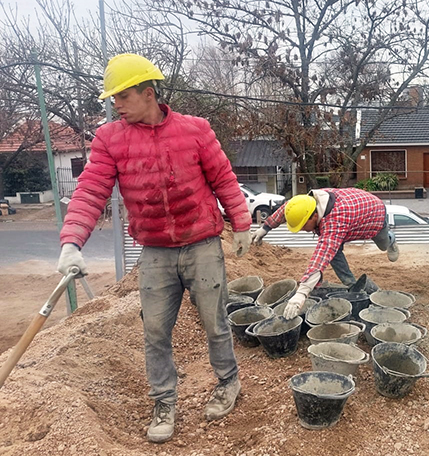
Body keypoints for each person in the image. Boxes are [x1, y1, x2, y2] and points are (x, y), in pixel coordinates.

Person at [56, 53, 253, 444]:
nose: (116, 104)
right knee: (155, 331)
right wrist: (72, 241)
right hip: (156, 252)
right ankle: (164, 401)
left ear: (148, 93)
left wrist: (242, 223)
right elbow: (92, 189)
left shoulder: (196, 130)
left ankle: (228, 382)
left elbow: (225, 179)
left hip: (202, 245)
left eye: (122, 95)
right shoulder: (111, 139)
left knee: (215, 323)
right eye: (113, 98)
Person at [250, 188, 399, 319]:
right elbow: (287, 209)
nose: (301, 230)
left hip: (374, 216)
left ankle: (391, 239)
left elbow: (321, 256)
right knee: (334, 251)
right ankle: (352, 285)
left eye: (302, 226)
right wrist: (266, 227)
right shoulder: (309, 201)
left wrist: (302, 293)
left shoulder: (336, 220)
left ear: (314, 216)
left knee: (383, 244)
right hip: (354, 211)